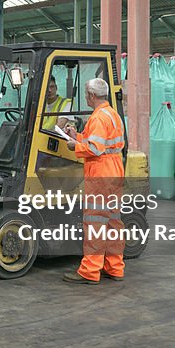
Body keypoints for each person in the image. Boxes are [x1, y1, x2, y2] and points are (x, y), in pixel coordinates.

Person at [63, 78, 125, 285]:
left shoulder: (98, 118)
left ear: (90, 95)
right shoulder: (112, 114)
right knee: (113, 221)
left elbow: (95, 149)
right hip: (114, 169)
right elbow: (101, 143)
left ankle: (90, 270)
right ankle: (114, 267)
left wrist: (74, 146)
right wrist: (78, 136)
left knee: (96, 221)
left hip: (101, 172)